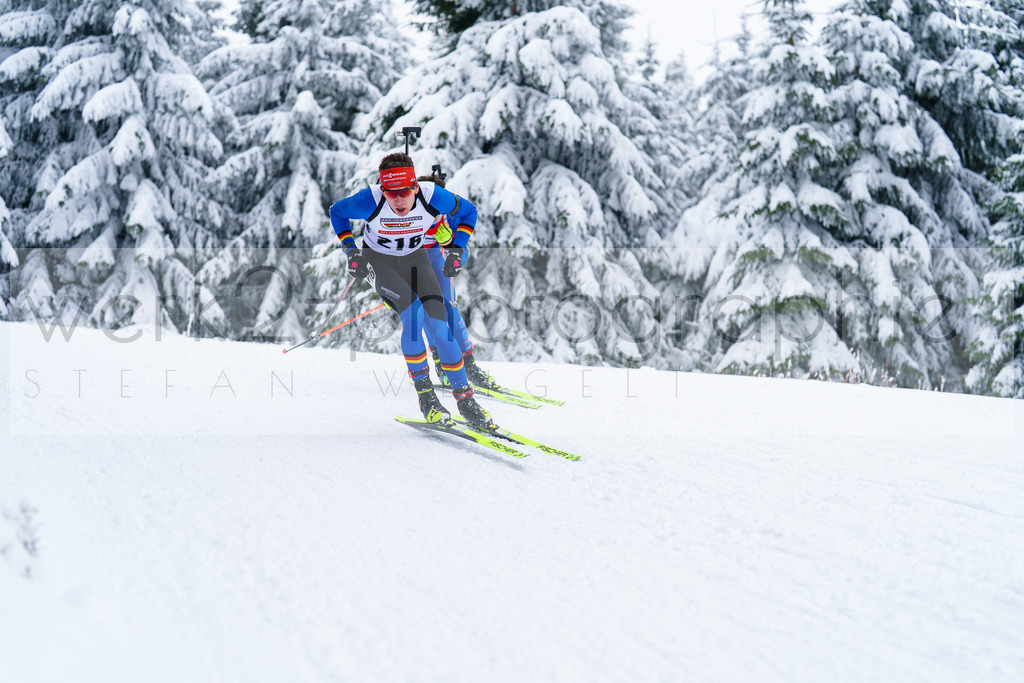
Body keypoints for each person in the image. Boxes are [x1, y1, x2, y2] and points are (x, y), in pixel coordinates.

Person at [328, 152, 494, 430]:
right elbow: (337, 212)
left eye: (405, 192)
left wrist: (457, 248)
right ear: (383, 190)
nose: (399, 200)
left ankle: (466, 401)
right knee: (414, 317)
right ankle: (427, 399)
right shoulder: (370, 200)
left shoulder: (431, 196)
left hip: (417, 259)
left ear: (415, 187)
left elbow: (469, 212)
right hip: (380, 262)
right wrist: (351, 250)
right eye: (392, 193)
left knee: (440, 328)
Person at [416, 172, 500, 391]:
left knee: (449, 309)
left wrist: (451, 244)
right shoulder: (410, 210)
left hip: (436, 259)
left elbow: (462, 256)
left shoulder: (449, 214)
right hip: (415, 261)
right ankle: (441, 366)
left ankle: (469, 366)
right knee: (426, 312)